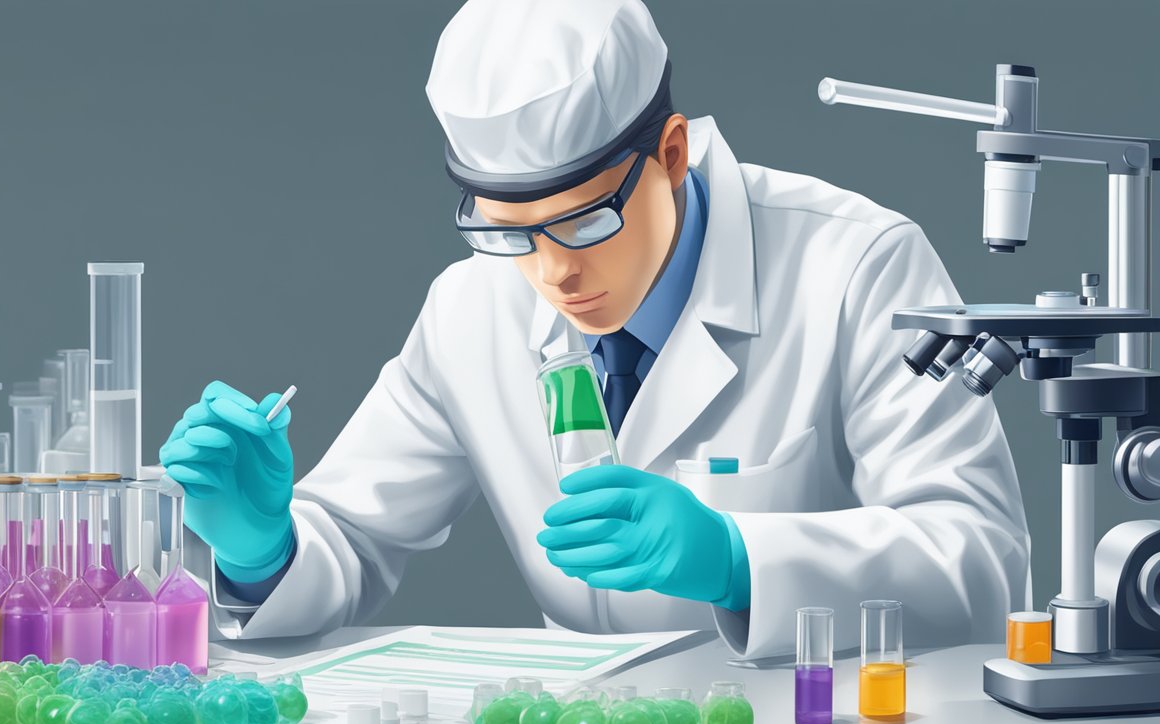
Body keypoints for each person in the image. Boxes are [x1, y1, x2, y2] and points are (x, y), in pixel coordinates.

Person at [161, 0, 1029, 658]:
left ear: (673, 155)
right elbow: (349, 540)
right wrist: (262, 548)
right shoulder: (474, 306)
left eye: (581, 222)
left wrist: (736, 557)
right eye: (508, 229)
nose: (552, 272)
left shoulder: (856, 265)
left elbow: (980, 561)